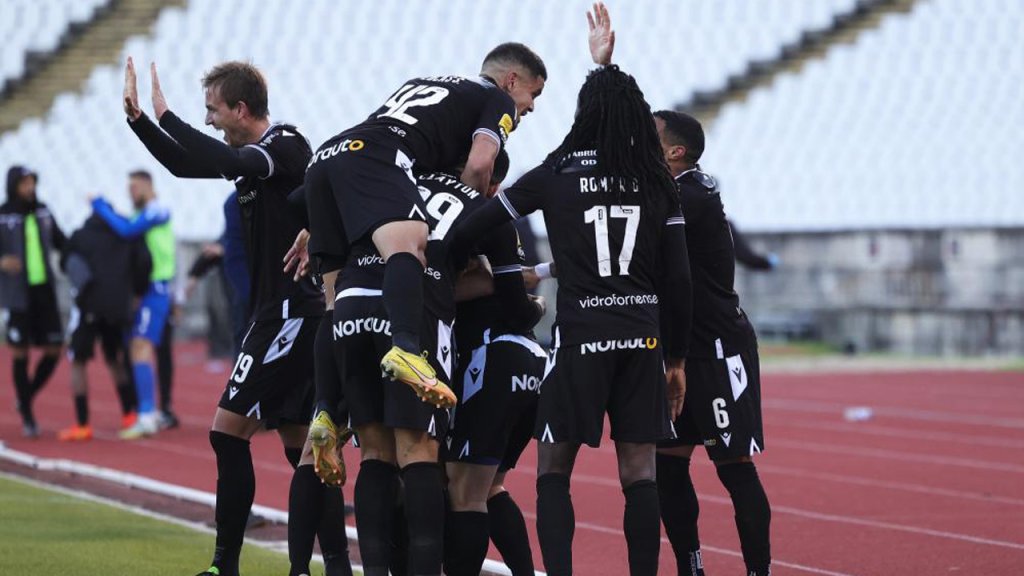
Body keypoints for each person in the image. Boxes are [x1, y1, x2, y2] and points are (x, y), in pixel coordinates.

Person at [451, 6, 693, 574]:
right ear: (634, 119)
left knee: (553, 471)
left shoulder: (556, 172)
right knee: (639, 473)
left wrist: (441, 248)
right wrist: (677, 360)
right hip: (642, 338)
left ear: (583, 114)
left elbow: (476, 223)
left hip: (581, 336)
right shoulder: (657, 182)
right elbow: (679, 280)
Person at [122, 58, 346, 576]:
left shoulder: (284, 146)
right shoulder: (253, 159)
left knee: (227, 434)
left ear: (241, 109)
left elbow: (216, 156)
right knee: (303, 449)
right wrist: (139, 121)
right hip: (282, 314)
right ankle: (334, 564)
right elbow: (186, 164)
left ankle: (226, 566)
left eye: (213, 110)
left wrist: (167, 116)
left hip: (291, 315)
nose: (209, 121)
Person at [310, 39, 546, 415]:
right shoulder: (497, 99)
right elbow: (480, 164)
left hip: (329, 158)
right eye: (534, 94)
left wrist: (309, 226)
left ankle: (325, 409)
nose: (531, 106)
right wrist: (465, 220)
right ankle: (406, 349)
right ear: (512, 80)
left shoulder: (426, 84)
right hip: (379, 158)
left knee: (332, 300)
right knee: (411, 247)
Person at [653, 109, 773, 576]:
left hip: (718, 350)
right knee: (668, 465)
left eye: (650, 136)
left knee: (734, 466)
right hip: (678, 352)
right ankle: (691, 567)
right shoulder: (678, 191)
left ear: (675, 151)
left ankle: (758, 570)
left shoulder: (692, 194)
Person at [441, 154, 547, 576]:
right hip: (528, 357)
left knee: (464, 491)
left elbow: (445, 288)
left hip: (491, 357)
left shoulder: (461, 218)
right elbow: (514, 284)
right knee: (490, 486)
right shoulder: (506, 221)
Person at [91, 170, 176, 439]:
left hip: (157, 288)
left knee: (141, 346)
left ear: (149, 185)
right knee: (139, 347)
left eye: (136, 186)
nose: (132, 191)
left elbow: (127, 231)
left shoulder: (157, 210)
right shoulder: (142, 214)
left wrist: (100, 206)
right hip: (146, 290)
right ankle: (149, 411)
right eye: (129, 187)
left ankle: (148, 414)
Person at [58, 213, 151, 441]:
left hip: (88, 306)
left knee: (78, 361)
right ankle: (129, 414)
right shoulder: (124, 234)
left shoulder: (80, 236)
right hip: (116, 307)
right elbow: (145, 262)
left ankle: (82, 424)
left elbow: (65, 261)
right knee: (115, 359)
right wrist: (136, 291)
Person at [0, 165, 66, 438]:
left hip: (44, 291)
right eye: (24, 183)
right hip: (17, 294)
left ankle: (26, 395)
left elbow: (62, 242)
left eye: (32, 182)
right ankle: (27, 415)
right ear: (14, 185)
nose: (30, 188)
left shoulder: (43, 211)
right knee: (20, 353)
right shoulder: (3, 215)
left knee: (54, 348)